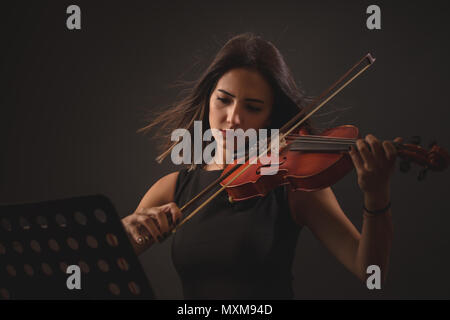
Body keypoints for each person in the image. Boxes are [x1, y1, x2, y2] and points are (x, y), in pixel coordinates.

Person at [121, 33, 401, 299]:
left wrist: (376, 194)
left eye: (252, 107)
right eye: (223, 100)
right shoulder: (172, 188)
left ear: (269, 117)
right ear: (208, 98)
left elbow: (371, 273)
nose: (233, 119)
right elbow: (109, 266)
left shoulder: (292, 184)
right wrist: (125, 230)